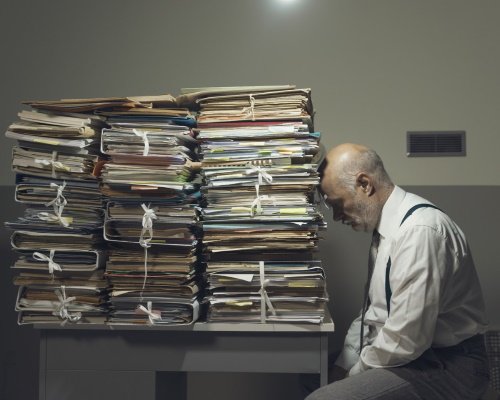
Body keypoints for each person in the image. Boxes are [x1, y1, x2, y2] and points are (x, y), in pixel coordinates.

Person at [307, 143, 489, 400]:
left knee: (323, 398)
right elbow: (375, 312)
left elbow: (406, 340)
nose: (336, 216)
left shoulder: (419, 232)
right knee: (313, 375)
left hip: (452, 365)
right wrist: (343, 363)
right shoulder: (386, 230)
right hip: (415, 355)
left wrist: (352, 374)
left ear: (364, 184)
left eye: (338, 203)